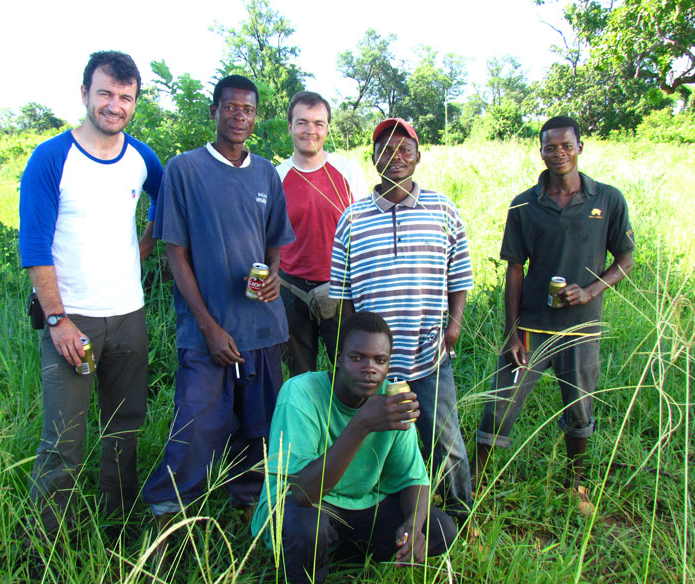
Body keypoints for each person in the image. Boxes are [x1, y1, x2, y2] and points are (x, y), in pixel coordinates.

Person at [19, 50, 163, 536]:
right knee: (64, 439)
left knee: (125, 428)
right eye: (105, 93)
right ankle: (48, 542)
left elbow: (167, 203)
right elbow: (35, 244)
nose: (114, 105)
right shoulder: (51, 158)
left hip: (129, 316)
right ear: (85, 94)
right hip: (72, 321)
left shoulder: (143, 159)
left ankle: (116, 522)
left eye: (125, 97)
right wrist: (56, 318)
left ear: (134, 102)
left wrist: (145, 243)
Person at [142, 75, 295, 523]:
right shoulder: (184, 169)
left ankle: (246, 499)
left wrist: (275, 279)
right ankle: (168, 512)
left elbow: (274, 242)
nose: (239, 116)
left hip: (261, 326)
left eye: (247, 110)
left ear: (256, 117)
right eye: (230, 107)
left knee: (260, 424)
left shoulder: (266, 171)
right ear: (214, 111)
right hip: (206, 329)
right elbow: (175, 253)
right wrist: (208, 326)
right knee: (198, 424)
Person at [473, 116, 634, 503]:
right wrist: (511, 332)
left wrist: (591, 290)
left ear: (581, 147)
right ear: (540, 151)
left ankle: (576, 487)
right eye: (550, 147)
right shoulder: (526, 204)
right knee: (499, 409)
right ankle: (471, 491)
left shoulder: (606, 199)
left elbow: (626, 259)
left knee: (579, 412)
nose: (558, 153)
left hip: (581, 328)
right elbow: (514, 269)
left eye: (566, 145)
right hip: (532, 327)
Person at [329, 118, 474, 520]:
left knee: (445, 440)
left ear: (418, 157)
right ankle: (380, 510)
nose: (396, 157)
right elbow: (342, 295)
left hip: (428, 354)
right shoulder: (352, 218)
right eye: (386, 150)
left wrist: (455, 325)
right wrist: (353, 353)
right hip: (372, 365)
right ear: (373, 158)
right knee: (374, 440)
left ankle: (462, 514)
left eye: (404, 149)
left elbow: (459, 275)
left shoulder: (443, 209)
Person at [251, 312, 456, 584]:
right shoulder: (300, 393)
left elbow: (412, 478)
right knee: (308, 527)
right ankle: (310, 564)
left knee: (440, 529)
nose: (369, 368)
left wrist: (412, 526)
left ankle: (340, 551)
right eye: (357, 358)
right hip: (303, 505)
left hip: (359, 506)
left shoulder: (390, 400)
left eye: (380, 360)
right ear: (338, 359)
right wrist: (360, 425)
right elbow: (302, 493)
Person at [276, 91, 367, 375]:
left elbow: (364, 231)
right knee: (300, 372)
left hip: (341, 288)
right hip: (290, 289)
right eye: (302, 122)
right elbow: (267, 236)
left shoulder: (347, 171)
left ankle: (350, 420)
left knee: (350, 368)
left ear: (327, 128)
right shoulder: (275, 175)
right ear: (290, 126)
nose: (310, 131)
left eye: (318, 123)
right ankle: (307, 419)